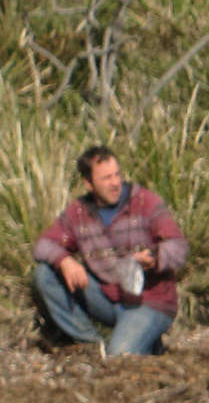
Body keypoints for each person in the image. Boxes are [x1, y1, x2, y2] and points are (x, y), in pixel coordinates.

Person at [29, 146, 190, 357]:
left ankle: (137, 342)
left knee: (121, 356)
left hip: (149, 302)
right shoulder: (78, 211)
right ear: (89, 183)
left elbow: (179, 246)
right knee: (45, 275)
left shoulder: (145, 202)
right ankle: (90, 344)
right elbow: (43, 245)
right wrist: (64, 260)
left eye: (117, 175)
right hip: (106, 296)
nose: (115, 183)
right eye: (106, 178)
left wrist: (154, 257)